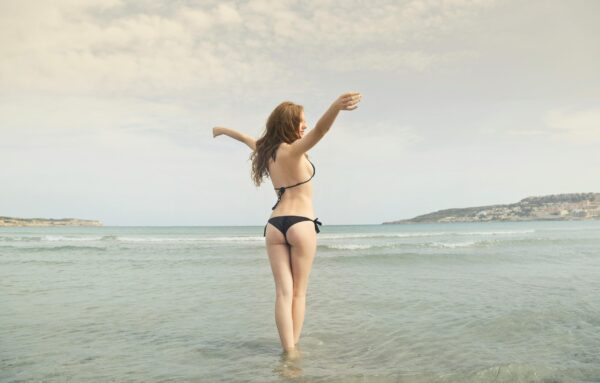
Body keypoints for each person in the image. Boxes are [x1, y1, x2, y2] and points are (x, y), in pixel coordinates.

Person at [212, 92, 362, 355]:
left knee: (283, 293)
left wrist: (221, 130)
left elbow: (244, 138)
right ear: (287, 124)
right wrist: (335, 106)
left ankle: (288, 351)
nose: (304, 126)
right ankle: (293, 354)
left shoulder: (265, 150)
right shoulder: (294, 150)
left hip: (274, 225)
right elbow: (322, 130)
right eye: (300, 122)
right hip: (301, 223)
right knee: (298, 294)